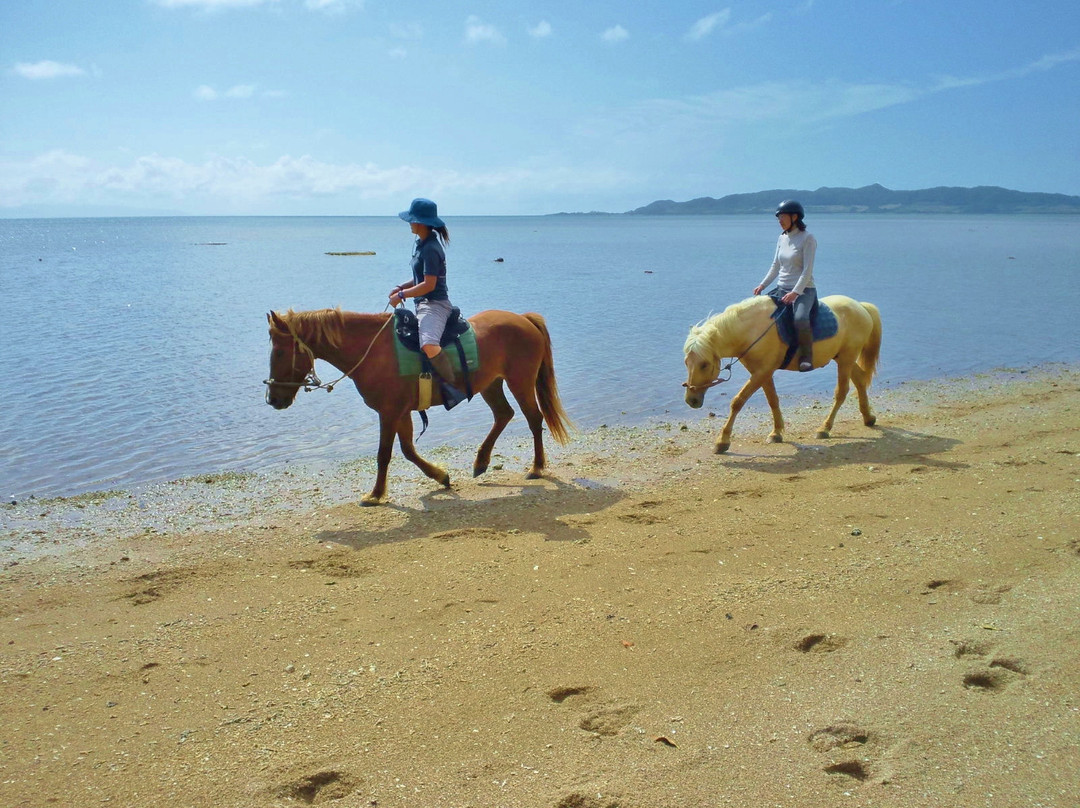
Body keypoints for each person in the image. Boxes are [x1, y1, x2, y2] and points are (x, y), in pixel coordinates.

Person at [389, 198, 467, 409]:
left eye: (412, 220)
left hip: (434, 304)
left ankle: (452, 387)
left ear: (421, 223)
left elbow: (429, 285)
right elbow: (420, 278)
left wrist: (403, 295)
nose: (410, 224)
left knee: (429, 345)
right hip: (422, 303)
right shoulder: (421, 245)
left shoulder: (431, 248)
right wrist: (400, 287)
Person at [753, 199, 818, 371]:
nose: (779, 221)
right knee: (760, 313)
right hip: (781, 288)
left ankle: (806, 356)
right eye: (778, 217)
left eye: (782, 217)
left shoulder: (807, 238)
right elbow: (775, 266)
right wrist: (762, 285)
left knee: (800, 318)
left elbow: (807, 271)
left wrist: (796, 292)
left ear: (794, 217)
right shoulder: (782, 238)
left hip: (804, 290)